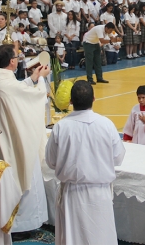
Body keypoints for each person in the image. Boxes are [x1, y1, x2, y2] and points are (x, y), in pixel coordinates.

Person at [0, 44, 49, 239]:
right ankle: (21, 225)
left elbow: (17, 90)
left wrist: (33, 78)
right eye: (17, 57)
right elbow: (35, 99)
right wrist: (41, 80)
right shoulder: (7, 85)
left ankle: (9, 220)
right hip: (17, 138)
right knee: (23, 176)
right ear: (12, 61)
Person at [45, 80, 125, 245]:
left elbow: (51, 161)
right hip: (99, 193)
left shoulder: (61, 127)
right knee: (101, 237)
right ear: (94, 99)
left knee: (74, 239)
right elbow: (118, 157)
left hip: (73, 193)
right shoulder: (106, 125)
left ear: (71, 101)